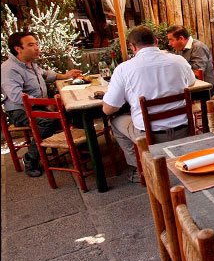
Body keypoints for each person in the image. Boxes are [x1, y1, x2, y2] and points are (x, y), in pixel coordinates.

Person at [102, 25, 196, 178]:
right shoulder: (178, 60)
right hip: (184, 128)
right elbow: (191, 82)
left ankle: (143, 169)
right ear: (157, 42)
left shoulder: (124, 69)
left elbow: (108, 109)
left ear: (132, 46)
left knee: (116, 122)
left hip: (149, 134)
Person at [1, 31, 82, 177]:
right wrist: (47, 104)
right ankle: (31, 158)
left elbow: (46, 75)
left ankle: (80, 148)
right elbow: (16, 96)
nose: (37, 47)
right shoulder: (9, 69)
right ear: (18, 49)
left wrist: (66, 76)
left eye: (36, 44)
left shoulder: (31, 64)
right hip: (19, 112)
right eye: (31, 45)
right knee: (49, 121)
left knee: (73, 111)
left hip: (38, 106)